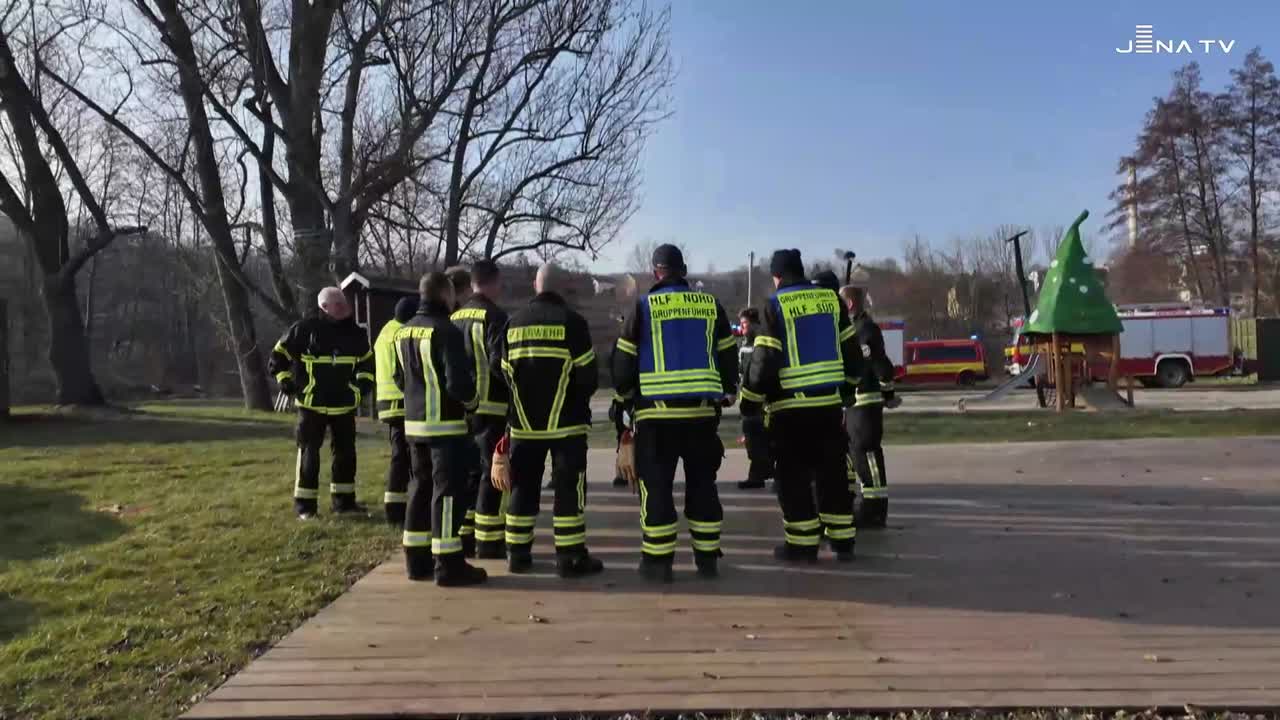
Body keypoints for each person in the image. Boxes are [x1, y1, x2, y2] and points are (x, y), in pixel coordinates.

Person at [613, 244, 738, 582]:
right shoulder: (711, 305)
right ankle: (707, 558)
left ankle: (658, 563)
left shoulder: (643, 307)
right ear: (683, 270)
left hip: (656, 418)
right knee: (702, 485)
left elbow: (623, 361)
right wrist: (729, 391)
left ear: (656, 273)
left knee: (656, 489)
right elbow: (728, 355)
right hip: (700, 415)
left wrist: (626, 398)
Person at [740, 249, 863, 563]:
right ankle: (843, 541)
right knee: (832, 474)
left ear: (777, 276)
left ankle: (803, 544)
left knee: (793, 478)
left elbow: (764, 360)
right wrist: (847, 393)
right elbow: (851, 353)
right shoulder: (830, 301)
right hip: (829, 408)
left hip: (790, 411)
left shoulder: (774, 306)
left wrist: (750, 401)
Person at [496, 263, 604, 578]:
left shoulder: (513, 324)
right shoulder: (573, 323)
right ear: (563, 287)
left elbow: (500, 369)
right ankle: (570, 558)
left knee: (522, 487)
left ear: (536, 285)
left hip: (524, 426)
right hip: (567, 426)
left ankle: (517, 554)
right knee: (569, 489)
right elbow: (589, 377)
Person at [393, 272, 486, 586]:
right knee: (447, 494)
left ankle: (416, 560)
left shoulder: (402, 332)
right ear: (446, 295)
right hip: (445, 428)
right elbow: (458, 383)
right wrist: (473, 404)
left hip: (414, 426)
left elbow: (397, 378)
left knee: (420, 490)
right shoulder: (446, 330)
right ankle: (448, 564)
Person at [269, 287, 374, 520]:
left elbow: (367, 366)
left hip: (344, 405)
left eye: (344, 302)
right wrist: (286, 382)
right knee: (309, 454)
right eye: (339, 304)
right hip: (311, 404)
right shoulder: (304, 330)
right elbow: (277, 358)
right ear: (324, 307)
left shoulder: (355, 334)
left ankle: (344, 504)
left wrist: (358, 392)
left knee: (346, 455)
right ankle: (305, 508)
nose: (345, 307)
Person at [451, 260, 511, 559]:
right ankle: (488, 543)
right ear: (492, 281)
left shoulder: (455, 316)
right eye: (499, 283)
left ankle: (464, 538)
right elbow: (500, 363)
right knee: (492, 474)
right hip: (492, 407)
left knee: (469, 474)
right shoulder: (495, 316)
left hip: (462, 409)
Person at [840, 284, 897, 528]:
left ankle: (874, 511)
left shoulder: (865, 330)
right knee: (858, 458)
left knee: (868, 456)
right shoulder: (852, 329)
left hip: (866, 404)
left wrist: (888, 392)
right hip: (854, 405)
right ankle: (864, 506)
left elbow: (880, 365)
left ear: (850, 304)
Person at [374, 296, 419, 528]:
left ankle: (397, 506)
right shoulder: (402, 333)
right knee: (402, 457)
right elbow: (401, 373)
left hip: (386, 402)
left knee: (400, 455)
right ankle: (396, 510)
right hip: (401, 402)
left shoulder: (385, 331)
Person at [736, 308, 773, 490]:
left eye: (745, 324)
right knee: (753, 439)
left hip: (761, 400)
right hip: (748, 399)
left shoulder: (762, 341)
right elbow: (742, 372)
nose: (742, 328)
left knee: (761, 439)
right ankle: (762, 472)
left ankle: (759, 475)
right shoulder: (744, 345)